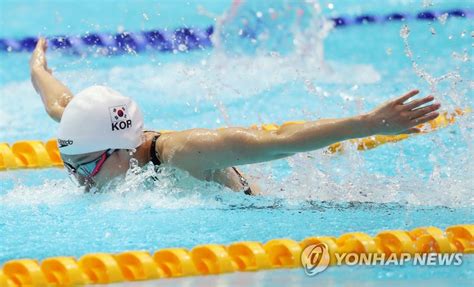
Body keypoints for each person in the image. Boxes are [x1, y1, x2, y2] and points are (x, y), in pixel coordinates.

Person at [30, 38, 441, 194]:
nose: (81, 181)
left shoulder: (186, 151)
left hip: (255, 207)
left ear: (120, 148)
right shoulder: (93, 135)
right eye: (72, 167)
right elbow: (60, 105)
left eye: (86, 167)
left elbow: (281, 140)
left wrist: (367, 124)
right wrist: (39, 72)